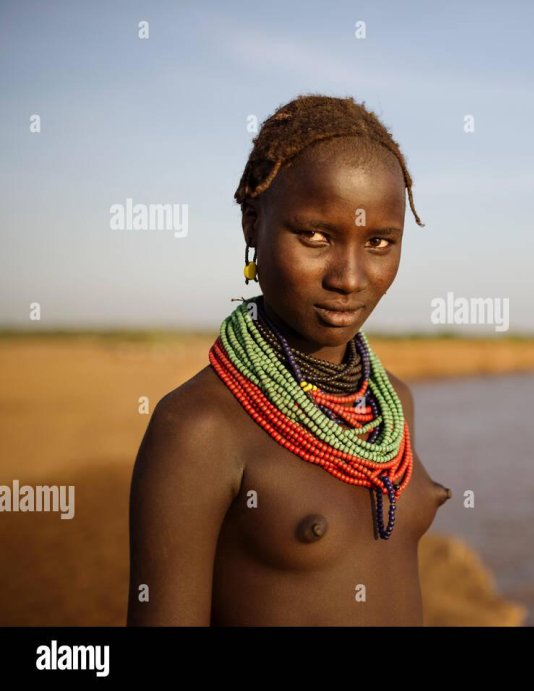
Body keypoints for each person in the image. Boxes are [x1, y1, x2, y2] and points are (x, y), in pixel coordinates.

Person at [127, 94, 452, 626]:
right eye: (316, 236)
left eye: (378, 242)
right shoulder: (198, 428)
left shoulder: (391, 403)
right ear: (252, 225)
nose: (348, 278)